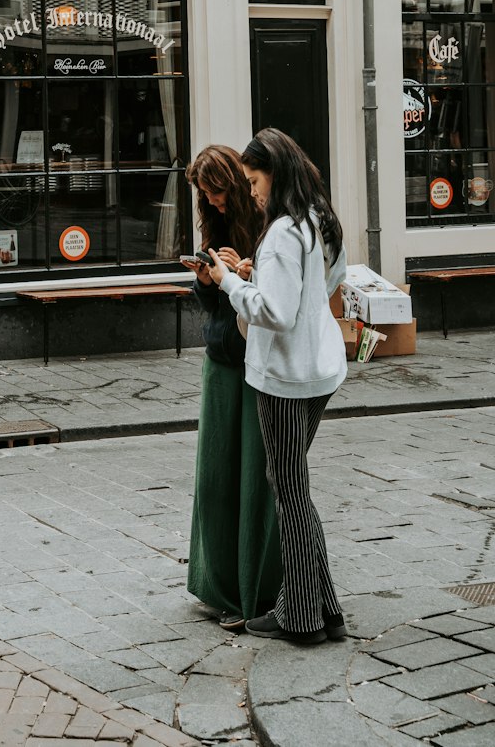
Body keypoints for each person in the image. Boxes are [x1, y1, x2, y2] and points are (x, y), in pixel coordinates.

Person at [206, 128, 348, 646]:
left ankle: (302, 617)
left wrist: (229, 281)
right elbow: (330, 282)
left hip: (286, 376)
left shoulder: (284, 231)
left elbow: (276, 313)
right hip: (320, 368)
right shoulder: (319, 220)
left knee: (289, 491)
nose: (252, 191)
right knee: (293, 487)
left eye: (254, 179)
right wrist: (262, 281)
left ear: (276, 171)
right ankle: (322, 608)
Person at [184, 146, 281, 632]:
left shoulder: (269, 222)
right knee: (216, 475)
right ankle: (216, 583)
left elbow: (278, 296)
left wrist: (244, 271)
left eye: (218, 194)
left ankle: (256, 590)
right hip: (221, 357)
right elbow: (210, 304)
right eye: (206, 197)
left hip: (257, 361)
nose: (214, 204)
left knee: (254, 477)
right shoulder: (213, 220)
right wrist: (207, 279)